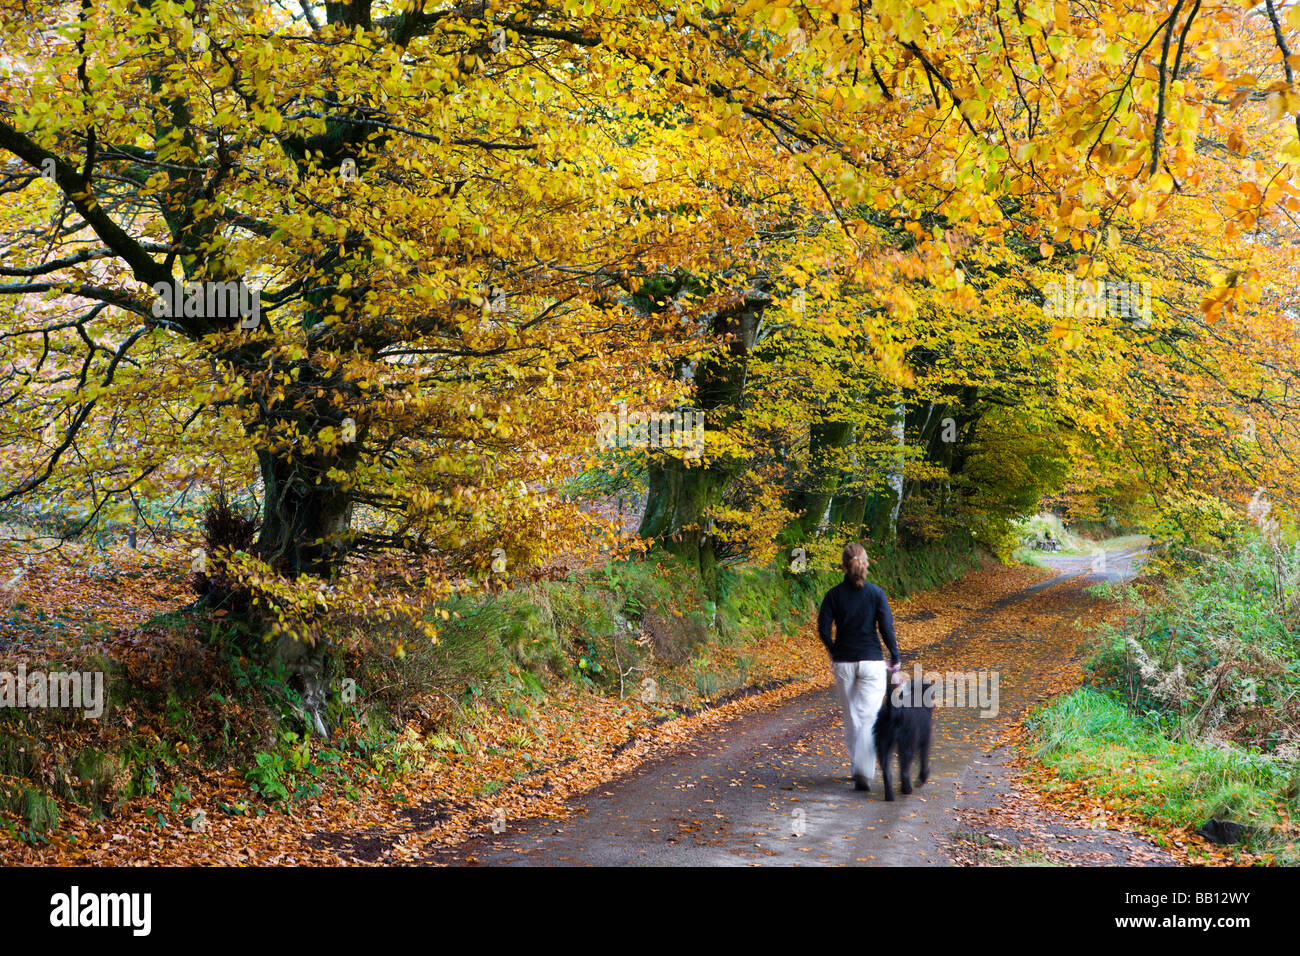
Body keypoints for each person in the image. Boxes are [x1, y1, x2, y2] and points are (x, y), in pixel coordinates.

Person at [817, 541, 901, 791]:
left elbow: (823, 629)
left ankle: (858, 766)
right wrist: (895, 655)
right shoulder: (876, 594)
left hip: (844, 663)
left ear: (843, 566)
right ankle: (863, 770)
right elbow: (886, 627)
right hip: (872, 663)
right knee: (868, 717)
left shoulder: (833, 595)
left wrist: (833, 650)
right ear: (865, 563)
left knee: (852, 717)